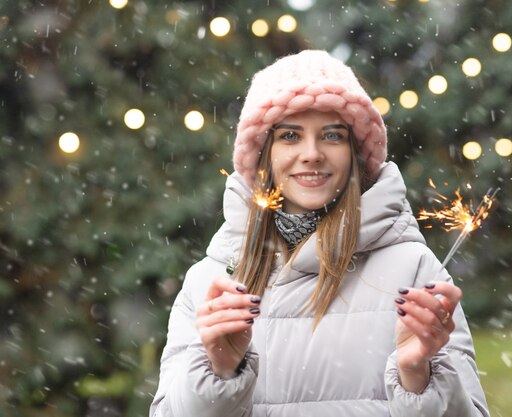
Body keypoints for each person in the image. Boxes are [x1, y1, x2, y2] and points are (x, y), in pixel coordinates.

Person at [150, 50, 490, 417]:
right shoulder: (210, 284)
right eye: (291, 136)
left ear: (355, 153)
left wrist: (417, 378)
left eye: (331, 135)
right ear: (264, 153)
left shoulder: (414, 271)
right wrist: (218, 373)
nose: (311, 154)